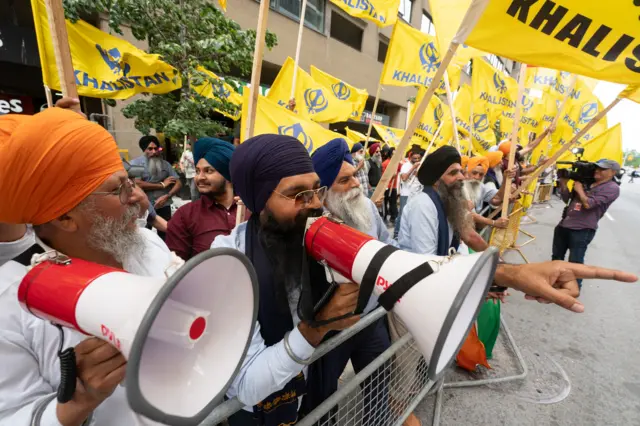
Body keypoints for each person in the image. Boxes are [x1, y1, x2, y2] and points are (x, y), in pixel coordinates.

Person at [0, 108, 176, 425]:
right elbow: (11, 414)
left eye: (132, 181)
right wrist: (76, 403)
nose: (137, 196)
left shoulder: (148, 245)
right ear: (64, 218)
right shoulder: (9, 302)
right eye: (118, 187)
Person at [212, 134, 390, 426]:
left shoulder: (308, 236)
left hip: (311, 395)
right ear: (258, 199)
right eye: (298, 195)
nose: (315, 204)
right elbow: (246, 386)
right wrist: (319, 325)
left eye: (315, 189)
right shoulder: (228, 262)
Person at [398, 146, 488, 255]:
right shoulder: (422, 205)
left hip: (445, 264)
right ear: (436, 180)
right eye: (453, 173)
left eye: (461, 171)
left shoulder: (450, 202)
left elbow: (470, 236)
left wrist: (495, 259)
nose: (461, 177)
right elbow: (427, 259)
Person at [553, 159, 622, 290]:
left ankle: (574, 289)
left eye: (603, 169)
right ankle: (555, 281)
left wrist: (579, 189)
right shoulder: (587, 182)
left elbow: (588, 204)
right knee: (556, 258)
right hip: (564, 224)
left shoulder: (612, 188)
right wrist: (563, 184)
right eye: (597, 168)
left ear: (613, 172)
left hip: (582, 229)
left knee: (575, 262)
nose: (598, 171)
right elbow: (567, 199)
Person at [166, 137, 238, 261]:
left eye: (208, 171)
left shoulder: (252, 210)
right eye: (197, 171)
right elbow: (175, 268)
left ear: (228, 174)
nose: (199, 177)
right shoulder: (185, 216)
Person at [130, 135, 182, 239]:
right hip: (144, 205)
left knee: (166, 234)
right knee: (144, 234)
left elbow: (178, 182)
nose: (154, 152)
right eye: (150, 149)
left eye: (156, 148)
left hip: (164, 204)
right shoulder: (135, 164)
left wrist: (167, 196)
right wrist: (162, 185)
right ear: (144, 149)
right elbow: (137, 183)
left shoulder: (165, 164)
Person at [463, 156, 514, 230]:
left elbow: (497, 198)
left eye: (481, 175)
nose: (477, 177)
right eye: (474, 173)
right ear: (466, 172)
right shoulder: (459, 187)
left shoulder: (481, 186)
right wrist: (493, 223)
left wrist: (505, 180)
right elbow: (470, 214)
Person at [394, 146, 424, 239]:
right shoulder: (406, 166)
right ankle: (396, 233)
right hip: (406, 194)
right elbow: (404, 178)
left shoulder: (419, 165)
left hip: (416, 194)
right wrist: (413, 168)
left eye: (418, 158)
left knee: (413, 214)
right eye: (415, 158)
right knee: (402, 214)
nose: (417, 160)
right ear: (410, 158)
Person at [382, 147, 399, 225]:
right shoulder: (385, 163)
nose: (394, 155)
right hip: (386, 187)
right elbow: (383, 176)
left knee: (393, 203)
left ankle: (394, 218)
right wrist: (391, 176)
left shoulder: (396, 163)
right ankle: (384, 218)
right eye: (393, 154)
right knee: (385, 203)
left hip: (394, 186)